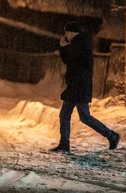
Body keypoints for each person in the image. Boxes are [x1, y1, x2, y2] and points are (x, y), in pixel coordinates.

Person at [51, 22, 121, 153]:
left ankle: (112, 135)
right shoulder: (78, 44)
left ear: (73, 33)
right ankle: (64, 144)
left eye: (67, 32)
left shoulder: (80, 45)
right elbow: (68, 60)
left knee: (84, 117)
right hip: (75, 87)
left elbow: (73, 60)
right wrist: (63, 47)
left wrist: (65, 47)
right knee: (65, 115)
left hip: (79, 87)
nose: (65, 35)